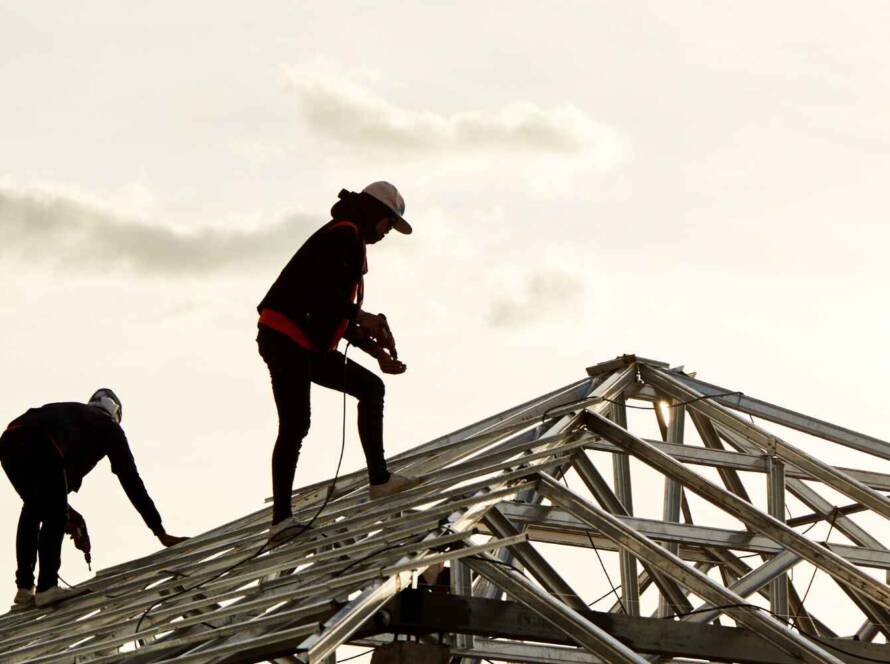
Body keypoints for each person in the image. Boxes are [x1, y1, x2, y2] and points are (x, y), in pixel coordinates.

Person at [257, 181, 421, 541]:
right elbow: (325, 300)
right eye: (388, 224)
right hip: (286, 338)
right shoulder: (343, 236)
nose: (387, 232)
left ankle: (379, 480)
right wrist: (364, 319)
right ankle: (281, 521)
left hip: (305, 343)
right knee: (296, 424)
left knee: (370, 388)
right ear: (375, 213)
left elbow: (336, 316)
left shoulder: (349, 241)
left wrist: (375, 350)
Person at [0, 388, 187, 610]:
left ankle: (24, 590)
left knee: (34, 508)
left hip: (10, 440)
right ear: (115, 413)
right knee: (53, 514)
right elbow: (131, 481)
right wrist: (159, 531)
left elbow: (51, 497)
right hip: (39, 443)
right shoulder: (108, 426)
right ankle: (47, 587)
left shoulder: (74, 421)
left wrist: (75, 519)